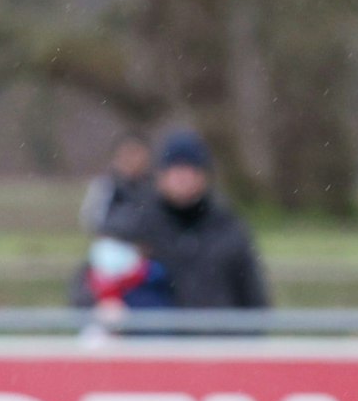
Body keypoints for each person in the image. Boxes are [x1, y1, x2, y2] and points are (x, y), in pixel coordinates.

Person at [121, 128, 269, 310]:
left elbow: (253, 294)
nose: (183, 179)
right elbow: (101, 282)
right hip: (157, 328)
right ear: (160, 176)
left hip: (217, 326)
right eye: (175, 170)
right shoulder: (138, 225)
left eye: (190, 170)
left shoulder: (228, 227)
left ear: (204, 176)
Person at [78, 131, 152, 236]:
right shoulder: (105, 186)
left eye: (136, 154)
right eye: (127, 154)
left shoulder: (156, 187)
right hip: (115, 240)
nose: (132, 160)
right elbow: (92, 221)